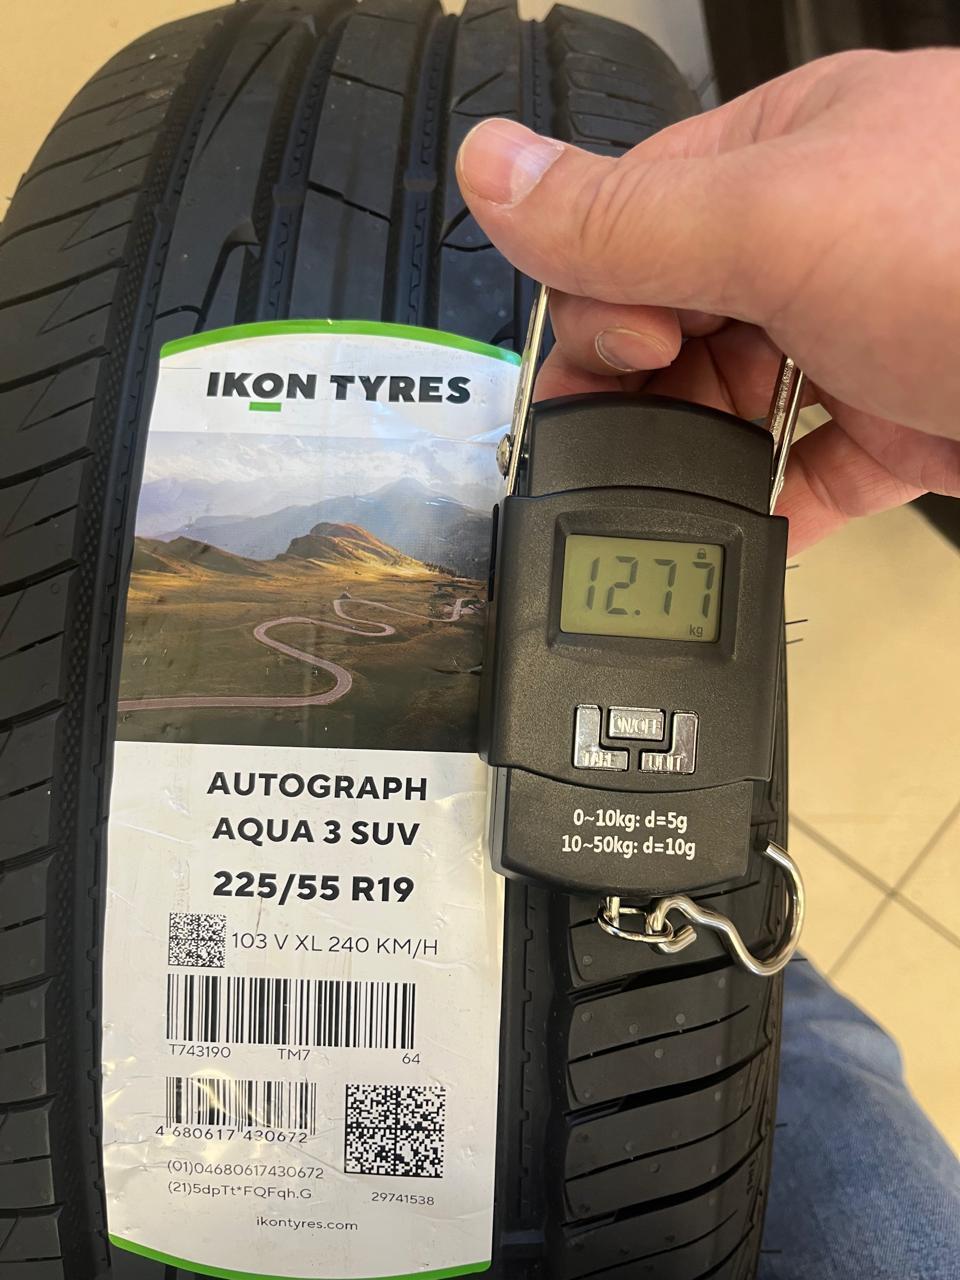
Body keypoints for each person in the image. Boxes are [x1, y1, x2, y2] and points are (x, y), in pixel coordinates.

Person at [456, 48, 960, 1280]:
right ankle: (790, 998)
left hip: (669, 830)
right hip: (679, 858)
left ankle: (781, 988)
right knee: (833, 1085)